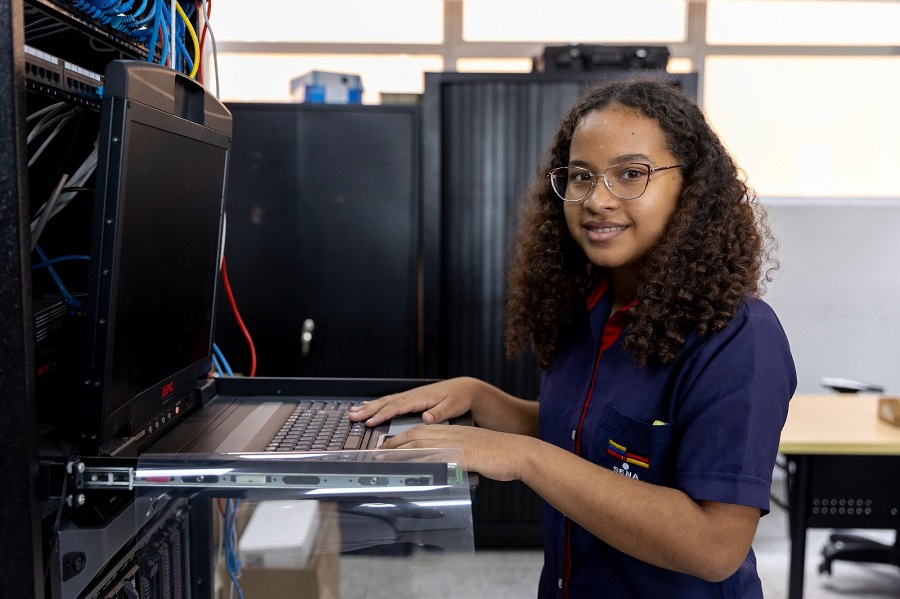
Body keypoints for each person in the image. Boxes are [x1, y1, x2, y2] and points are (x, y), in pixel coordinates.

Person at [349, 77, 797, 598]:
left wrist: (522, 457)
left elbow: (715, 547)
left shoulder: (738, 336)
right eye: (581, 177)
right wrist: (482, 399)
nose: (596, 200)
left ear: (691, 188)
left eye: (631, 174)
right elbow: (593, 437)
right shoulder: (592, 309)